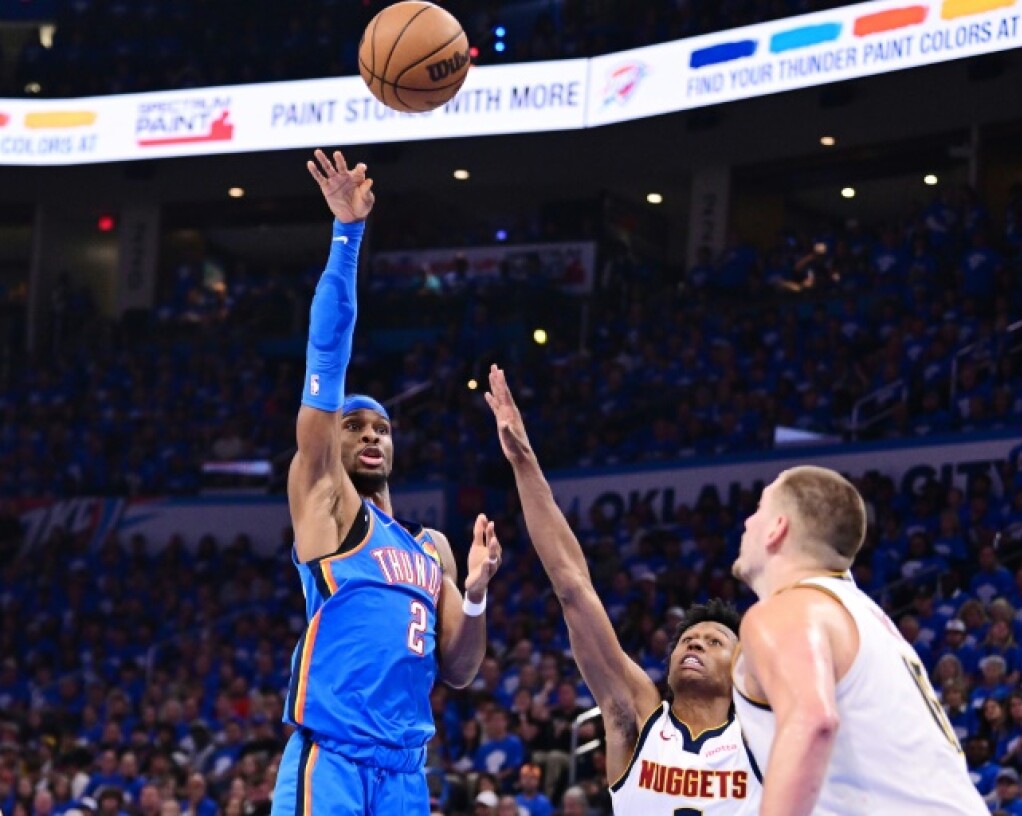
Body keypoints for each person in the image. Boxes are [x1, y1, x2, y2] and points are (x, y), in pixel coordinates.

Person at [270, 150, 502, 816]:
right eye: (356, 426)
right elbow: (328, 349)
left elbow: (459, 670)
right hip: (334, 757)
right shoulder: (327, 502)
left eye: (383, 428)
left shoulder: (431, 548)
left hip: (405, 773)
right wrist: (347, 236)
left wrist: (478, 596)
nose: (372, 435)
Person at [483, 365, 761, 814]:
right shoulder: (638, 717)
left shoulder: (760, 736)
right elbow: (573, 586)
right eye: (688, 640)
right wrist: (524, 461)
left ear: (741, 667)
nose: (695, 644)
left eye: (714, 641)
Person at [729, 465, 988, 814]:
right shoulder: (864, 616)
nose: (747, 522)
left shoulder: (788, 609)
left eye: (759, 509)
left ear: (777, 528)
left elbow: (813, 722)